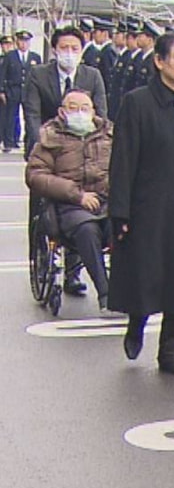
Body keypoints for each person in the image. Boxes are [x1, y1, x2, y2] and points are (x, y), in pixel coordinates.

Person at [107, 32, 174, 375]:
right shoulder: (137, 103)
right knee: (147, 275)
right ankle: (137, 323)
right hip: (150, 207)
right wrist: (120, 210)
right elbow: (123, 160)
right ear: (159, 61)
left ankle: (172, 351)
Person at [25, 89, 115, 312]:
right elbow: (36, 175)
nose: (79, 113)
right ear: (61, 112)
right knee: (87, 230)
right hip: (70, 204)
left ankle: (125, 289)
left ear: (94, 112)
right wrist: (77, 195)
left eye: (85, 108)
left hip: (107, 200)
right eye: (73, 108)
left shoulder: (109, 135)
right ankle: (105, 292)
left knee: (122, 226)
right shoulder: (50, 138)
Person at [22, 26, 108, 156]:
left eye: (74, 49)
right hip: (46, 143)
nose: (69, 53)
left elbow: (101, 115)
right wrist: (40, 145)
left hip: (83, 147)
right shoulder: (38, 75)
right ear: (54, 50)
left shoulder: (93, 76)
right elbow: (32, 115)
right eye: (64, 48)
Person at [3, 29, 42, 153]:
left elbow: (39, 75)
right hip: (13, 89)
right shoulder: (10, 56)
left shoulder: (35, 57)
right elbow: (3, 73)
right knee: (11, 116)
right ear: (17, 42)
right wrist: (2, 90)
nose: (23, 44)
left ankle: (29, 141)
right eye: (21, 41)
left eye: (26, 41)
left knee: (29, 117)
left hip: (29, 91)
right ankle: (9, 142)